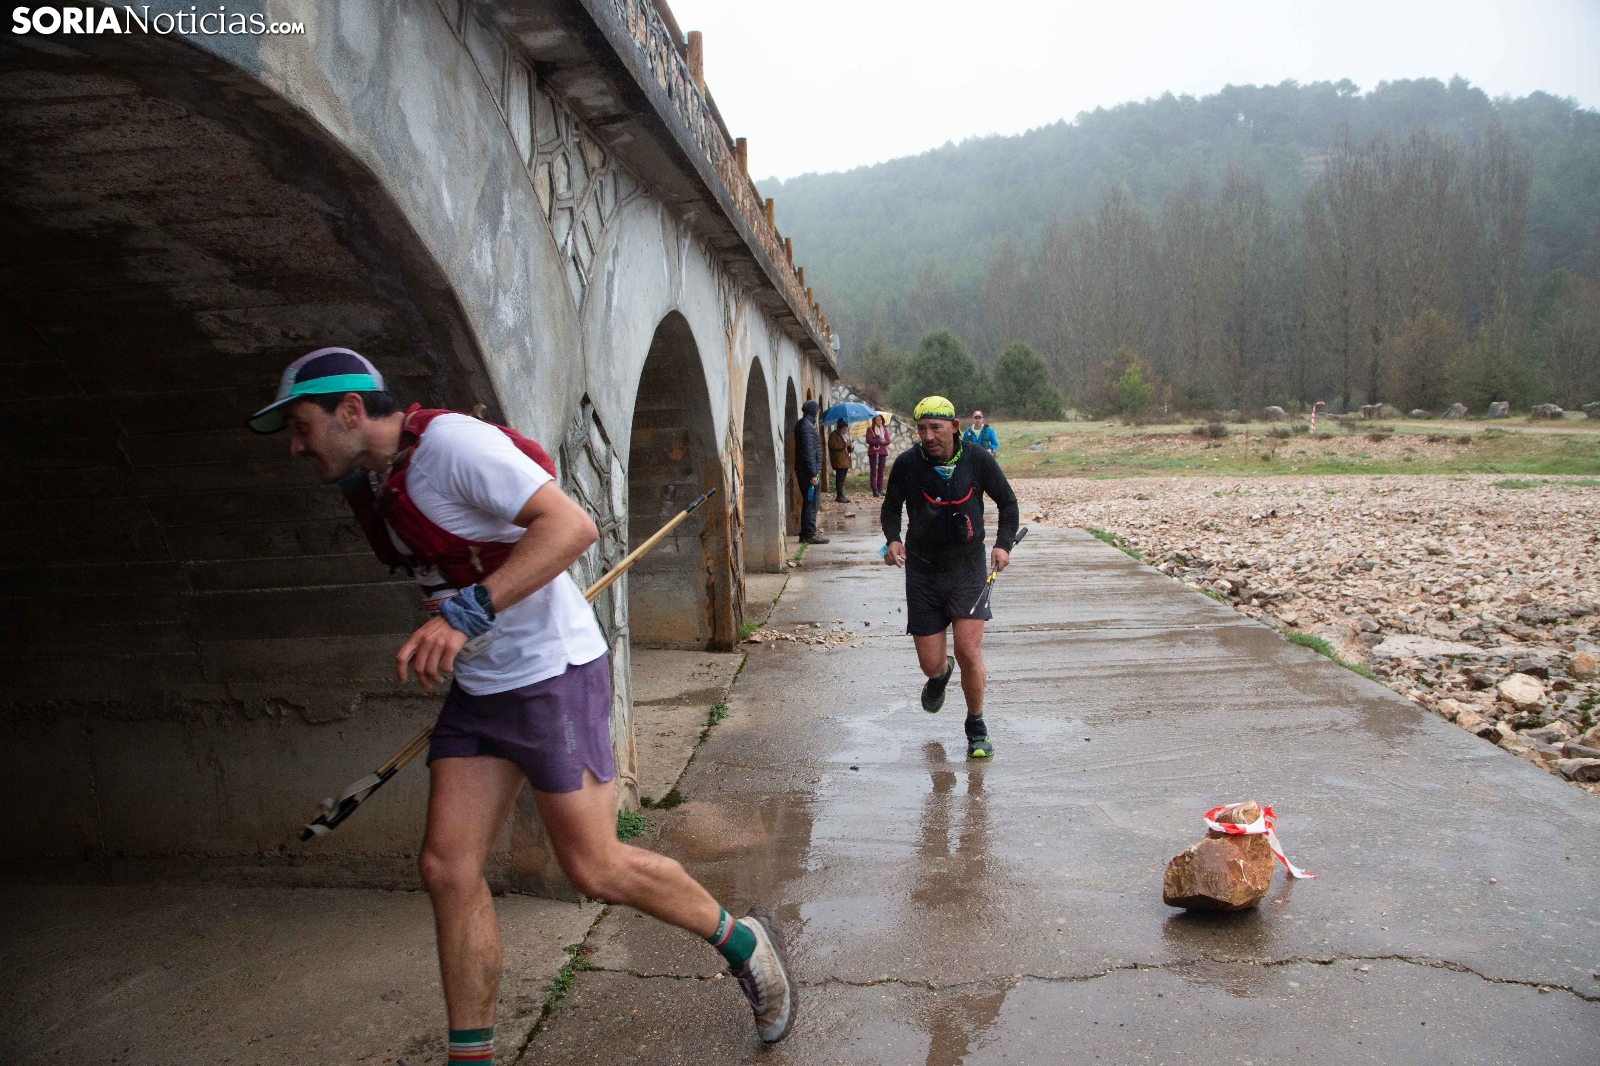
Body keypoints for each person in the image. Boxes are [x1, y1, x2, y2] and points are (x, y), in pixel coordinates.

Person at [248, 348, 798, 1057]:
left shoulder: (452, 446)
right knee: (447, 869)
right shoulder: (377, 477)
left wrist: (464, 613)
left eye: (301, 427)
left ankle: (748, 947)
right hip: (481, 688)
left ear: (351, 411)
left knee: (594, 868)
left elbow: (570, 527)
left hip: (550, 675)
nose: (294, 447)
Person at [881, 395, 1019, 759]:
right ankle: (941, 675)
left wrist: (1002, 544)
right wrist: (892, 539)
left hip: (967, 570)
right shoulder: (908, 464)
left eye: (936, 428)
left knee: (969, 651)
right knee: (931, 664)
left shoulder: (977, 459)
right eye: (922, 429)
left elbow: (1008, 503)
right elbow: (891, 507)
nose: (928, 436)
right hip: (923, 572)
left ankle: (976, 725)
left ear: (955, 427)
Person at [793, 400, 828, 544]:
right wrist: (813, 473)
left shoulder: (805, 424)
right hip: (808, 471)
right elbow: (808, 452)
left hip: (808, 469)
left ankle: (807, 532)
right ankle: (809, 533)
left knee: (811, 502)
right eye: (817, 410)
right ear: (814, 411)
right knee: (811, 502)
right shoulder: (806, 426)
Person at [827, 419, 854, 502]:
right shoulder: (834, 435)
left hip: (845, 460)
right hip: (839, 460)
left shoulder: (844, 436)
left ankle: (841, 494)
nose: (845, 430)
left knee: (842, 478)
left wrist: (851, 446)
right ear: (840, 428)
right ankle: (839, 495)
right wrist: (845, 444)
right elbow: (834, 446)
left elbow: (847, 449)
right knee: (839, 478)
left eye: (846, 429)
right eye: (844, 429)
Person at [865, 414, 891, 497]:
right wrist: (879, 440)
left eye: (880, 419)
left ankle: (880, 489)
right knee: (873, 471)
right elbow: (869, 440)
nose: (879, 421)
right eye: (877, 420)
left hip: (882, 452)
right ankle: (874, 489)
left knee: (881, 471)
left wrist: (884, 441)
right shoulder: (870, 430)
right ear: (874, 421)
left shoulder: (884, 430)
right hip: (873, 452)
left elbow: (888, 440)